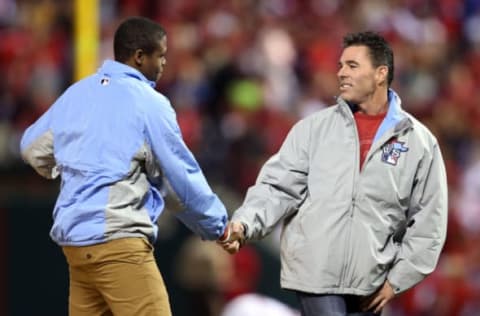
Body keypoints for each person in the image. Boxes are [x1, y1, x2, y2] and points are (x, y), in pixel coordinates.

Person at [219, 31, 448, 315]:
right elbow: (278, 187)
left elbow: (429, 223)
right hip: (316, 274)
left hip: (372, 282)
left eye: (352, 66)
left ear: (380, 74)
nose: (341, 73)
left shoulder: (419, 142)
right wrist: (244, 223)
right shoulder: (313, 129)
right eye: (340, 66)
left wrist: (396, 281)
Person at [20, 17, 231, 316]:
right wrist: (218, 226)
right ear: (139, 56)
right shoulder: (148, 101)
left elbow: (30, 148)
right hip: (119, 244)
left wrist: (70, 165)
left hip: (77, 247)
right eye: (160, 55)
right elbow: (181, 176)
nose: (164, 63)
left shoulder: (77, 94)